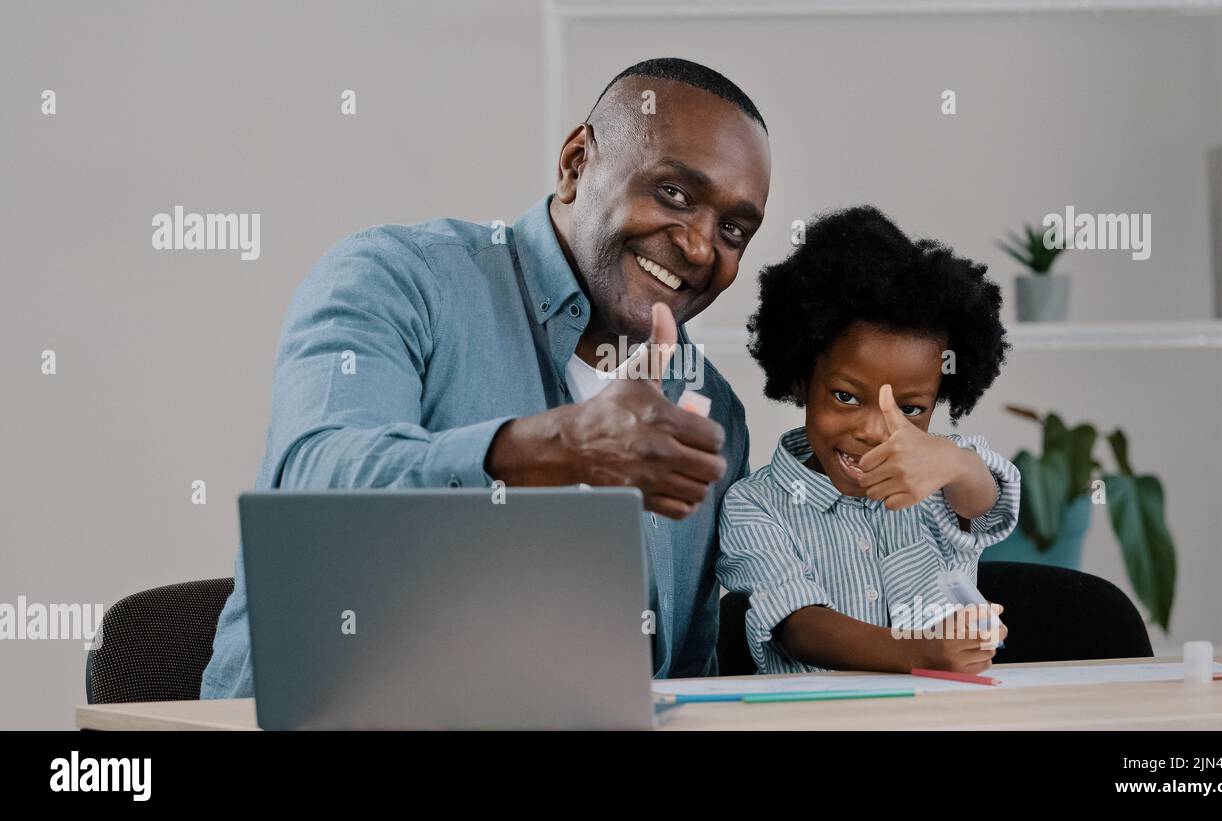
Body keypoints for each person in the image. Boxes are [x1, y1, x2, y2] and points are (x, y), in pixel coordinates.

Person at [201, 57, 771, 698]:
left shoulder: (711, 408)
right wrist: (563, 447)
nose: (699, 246)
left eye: (732, 229)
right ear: (576, 164)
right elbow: (315, 481)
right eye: (674, 193)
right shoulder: (400, 279)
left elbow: (682, 682)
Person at [717, 205, 1020, 676]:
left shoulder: (942, 478)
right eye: (845, 396)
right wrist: (923, 653)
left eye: (911, 409)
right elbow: (799, 625)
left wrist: (956, 464)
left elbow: (989, 505)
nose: (877, 430)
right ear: (799, 380)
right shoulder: (755, 505)